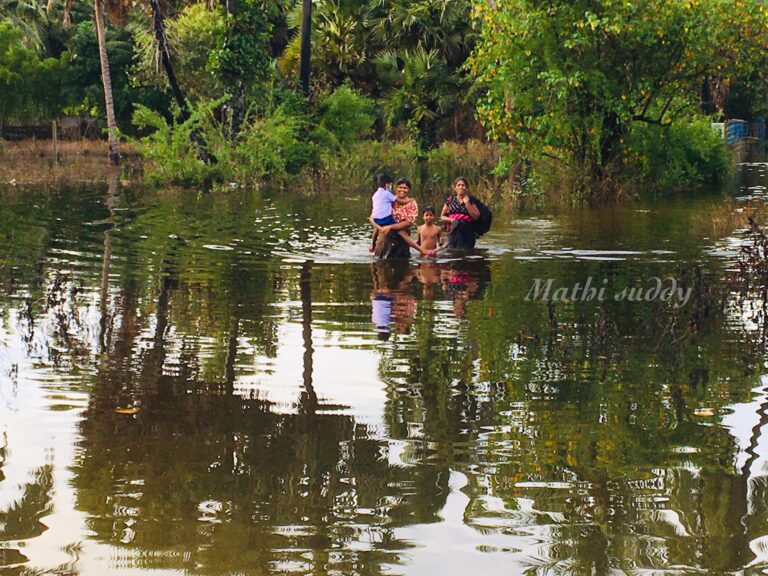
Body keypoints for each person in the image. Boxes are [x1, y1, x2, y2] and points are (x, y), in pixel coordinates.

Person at [369, 174, 430, 256]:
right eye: (400, 187)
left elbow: (409, 222)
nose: (402, 190)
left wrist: (390, 227)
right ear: (396, 188)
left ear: (409, 189)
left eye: (405, 188)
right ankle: (373, 245)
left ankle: (421, 251)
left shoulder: (412, 204)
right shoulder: (388, 199)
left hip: (401, 239)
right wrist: (379, 227)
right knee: (380, 262)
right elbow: (373, 216)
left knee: (401, 261)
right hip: (385, 235)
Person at [440, 177, 492, 249]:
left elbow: (476, 217)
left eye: (463, 185)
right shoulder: (450, 200)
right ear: (455, 188)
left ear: (466, 188)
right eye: (458, 185)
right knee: (453, 251)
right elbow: (442, 216)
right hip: (454, 229)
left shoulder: (471, 200)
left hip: (467, 231)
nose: (461, 187)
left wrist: (467, 203)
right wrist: (452, 220)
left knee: (466, 251)